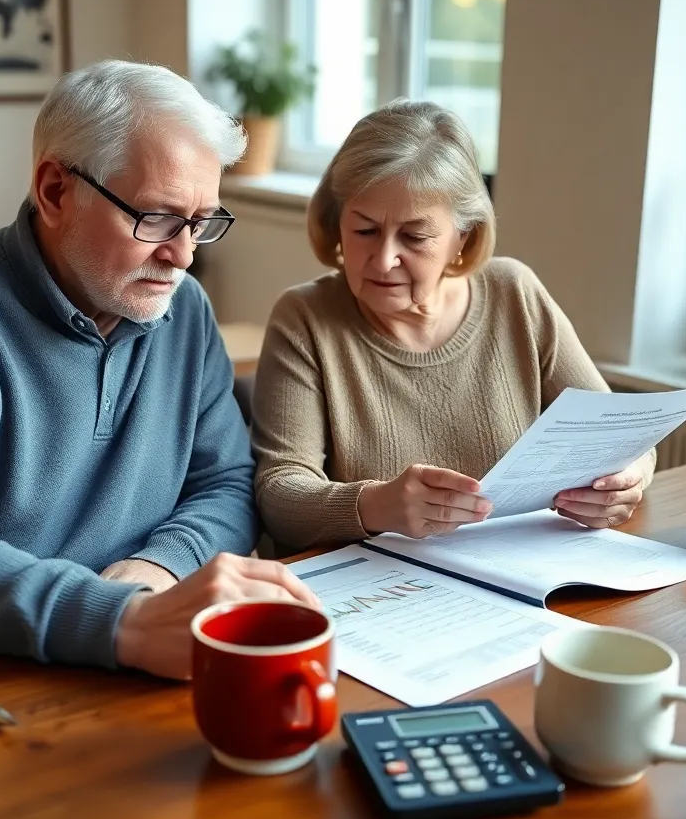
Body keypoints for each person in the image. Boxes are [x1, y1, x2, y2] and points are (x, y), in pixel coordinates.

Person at [0, 60, 318, 679]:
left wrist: (162, 566)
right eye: (157, 217)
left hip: (118, 653)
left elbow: (225, 482)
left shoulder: (185, 310)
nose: (183, 256)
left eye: (200, 223)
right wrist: (122, 618)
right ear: (56, 191)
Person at [252, 100, 655, 551]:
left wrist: (626, 479)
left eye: (414, 236)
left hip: (518, 569)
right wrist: (375, 505)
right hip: (381, 583)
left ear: (463, 237)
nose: (383, 260)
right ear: (337, 221)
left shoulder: (514, 293)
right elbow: (278, 497)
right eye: (365, 230)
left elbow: (623, 438)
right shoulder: (304, 317)